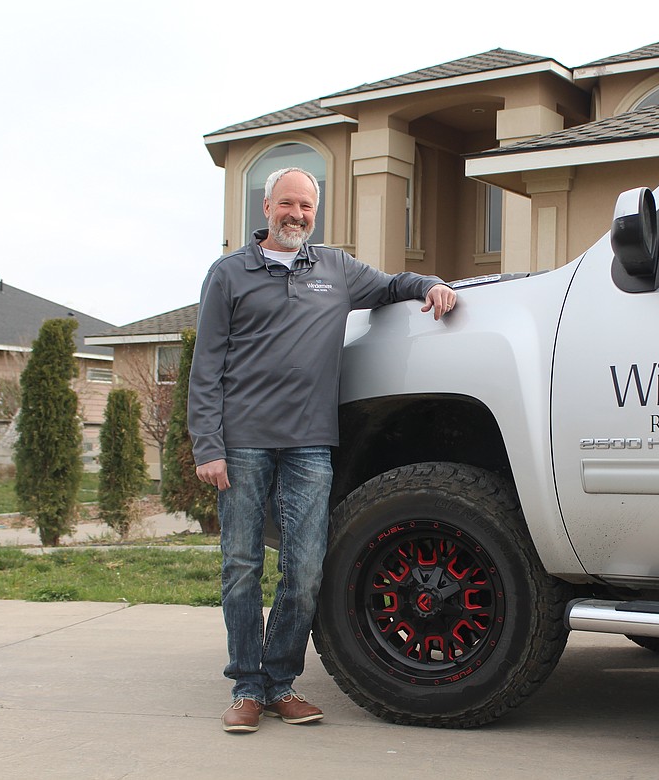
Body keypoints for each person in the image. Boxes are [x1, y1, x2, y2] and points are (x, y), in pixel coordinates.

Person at [188, 167, 456, 734]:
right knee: (241, 566)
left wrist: (429, 284)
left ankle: (281, 683)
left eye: (306, 207)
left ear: (316, 212)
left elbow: (389, 286)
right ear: (266, 209)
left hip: (310, 443)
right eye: (287, 205)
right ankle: (246, 686)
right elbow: (206, 365)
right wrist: (207, 445)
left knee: (306, 568)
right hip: (241, 444)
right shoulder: (230, 273)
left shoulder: (334, 268)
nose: (297, 216)